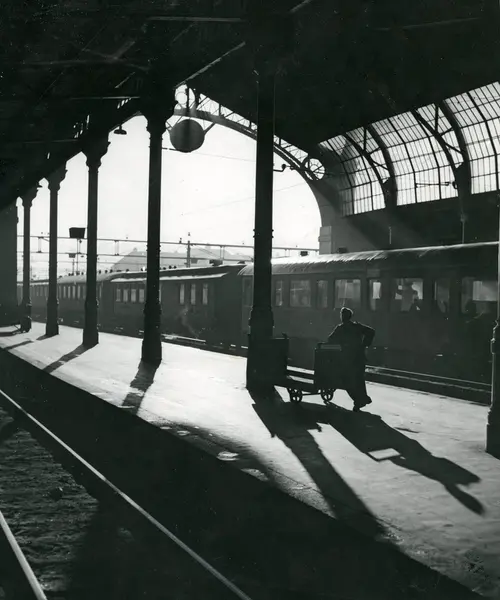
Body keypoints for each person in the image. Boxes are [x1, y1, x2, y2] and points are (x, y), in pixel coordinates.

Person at [328, 307, 375, 412]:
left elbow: (330, 339)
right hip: (359, 358)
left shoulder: (340, 328)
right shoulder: (357, 326)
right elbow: (371, 331)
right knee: (359, 380)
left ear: (342, 317)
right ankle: (362, 399)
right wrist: (365, 344)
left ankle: (360, 400)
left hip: (348, 360)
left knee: (347, 381)